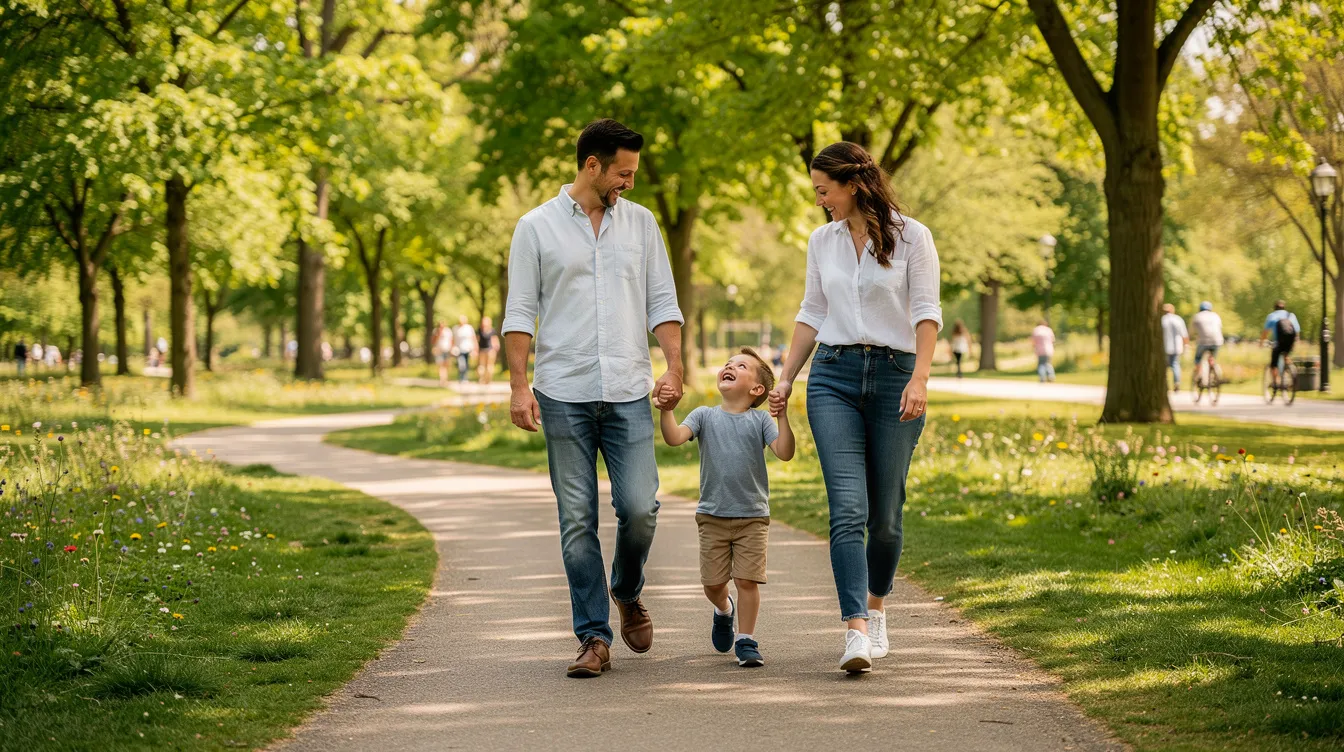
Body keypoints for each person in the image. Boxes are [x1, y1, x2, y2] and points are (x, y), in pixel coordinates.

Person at [502, 118, 684, 678]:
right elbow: (518, 312)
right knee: (576, 519)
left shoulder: (642, 224)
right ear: (591, 166)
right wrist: (517, 385)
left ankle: (626, 589)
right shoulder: (535, 228)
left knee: (639, 509)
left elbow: (662, 301)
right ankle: (593, 636)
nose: (628, 181)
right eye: (622, 172)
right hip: (563, 391)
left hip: (630, 389)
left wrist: (674, 365)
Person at [768, 141, 941, 673]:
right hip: (834, 377)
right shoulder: (823, 241)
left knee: (885, 515)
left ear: (853, 184)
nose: (820, 200)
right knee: (847, 508)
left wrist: (920, 378)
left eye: (825, 190)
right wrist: (787, 377)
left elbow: (927, 311)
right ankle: (856, 632)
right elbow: (812, 311)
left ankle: (878, 607)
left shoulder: (913, 236)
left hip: (895, 378)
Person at [658, 348, 794, 668]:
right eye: (727, 364)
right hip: (712, 516)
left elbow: (784, 452)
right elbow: (675, 438)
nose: (729, 367)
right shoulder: (704, 415)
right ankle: (724, 610)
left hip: (752, 517)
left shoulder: (760, 420)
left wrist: (782, 416)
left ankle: (746, 639)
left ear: (757, 389)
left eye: (741, 365)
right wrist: (667, 410)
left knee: (747, 580)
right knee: (713, 584)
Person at [1261, 300, 1301, 386]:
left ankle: (1276, 382)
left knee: (1273, 363)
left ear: (1274, 308)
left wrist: (1261, 343)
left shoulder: (1272, 316)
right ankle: (1290, 371)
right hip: (1290, 341)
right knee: (1286, 356)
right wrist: (1295, 342)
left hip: (1279, 342)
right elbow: (1297, 331)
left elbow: (1265, 332)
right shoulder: (1291, 315)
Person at [1190, 301, 1224, 386]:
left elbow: (1191, 331)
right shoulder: (1215, 316)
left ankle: (1199, 377)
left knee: (1198, 359)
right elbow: (1220, 327)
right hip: (1217, 341)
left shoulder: (1197, 316)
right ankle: (1213, 369)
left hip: (1203, 341)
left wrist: (1191, 338)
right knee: (1212, 357)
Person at [1161, 303, 1189, 392]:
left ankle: (1163, 384)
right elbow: (1184, 335)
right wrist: (1186, 345)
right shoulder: (1178, 319)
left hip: (1164, 347)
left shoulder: (1162, 320)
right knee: (1175, 365)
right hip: (1177, 347)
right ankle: (1177, 383)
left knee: (1163, 366)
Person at [452, 315, 477, 384]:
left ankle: (465, 378)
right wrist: (452, 348)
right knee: (461, 364)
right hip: (459, 350)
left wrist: (475, 349)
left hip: (468, 349)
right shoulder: (455, 328)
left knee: (466, 364)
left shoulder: (469, 328)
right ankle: (461, 377)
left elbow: (473, 338)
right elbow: (453, 339)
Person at [476, 316, 500, 384]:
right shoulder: (480, 330)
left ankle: (488, 380)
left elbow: (495, 339)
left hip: (490, 350)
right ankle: (482, 379)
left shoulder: (492, 330)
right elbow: (477, 340)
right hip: (482, 350)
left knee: (489, 366)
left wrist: (496, 347)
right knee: (481, 366)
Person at [432, 322, 452, 386]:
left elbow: (451, 340)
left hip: (447, 350)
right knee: (441, 365)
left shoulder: (448, 331)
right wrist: (438, 335)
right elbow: (433, 341)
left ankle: (445, 379)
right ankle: (441, 380)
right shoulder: (435, 331)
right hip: (439, 350)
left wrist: (451, 349)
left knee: (446, 365)